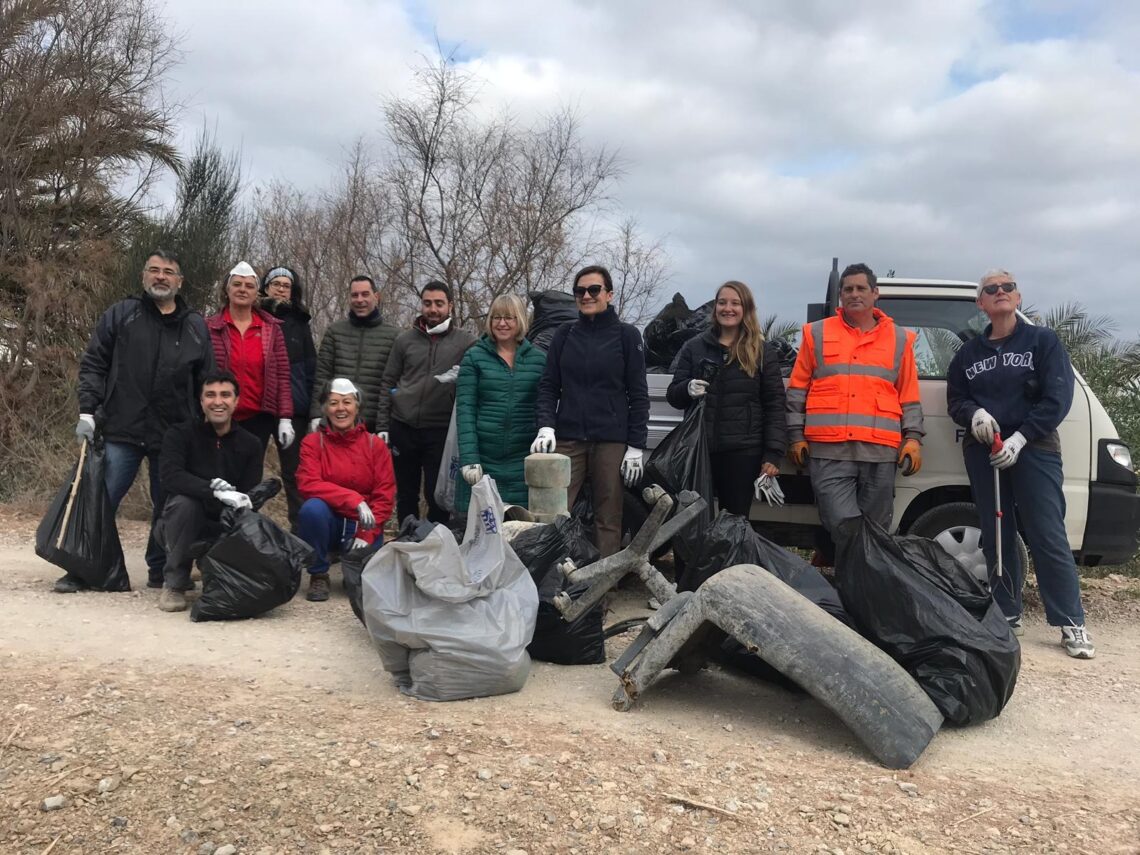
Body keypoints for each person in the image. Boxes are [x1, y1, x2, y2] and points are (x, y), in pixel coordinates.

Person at [947, 269, 1094, 658]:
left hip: (1036, 448)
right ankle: (1007, 613)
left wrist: (1021, 437)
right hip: (984, 452)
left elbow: (1057, 398)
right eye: (990, 289)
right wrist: (974, 414)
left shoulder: (1042, 341)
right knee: (997, 533)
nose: (999, 292)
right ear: (980, 303)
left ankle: (1071, 621)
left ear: (1018, 296)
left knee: (1047, 533)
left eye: (1006, 287)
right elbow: (956, 399)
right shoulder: (968, 354)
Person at [66, 249, 214, 593]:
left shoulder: (195, 326)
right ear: (143, 276)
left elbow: (207, 380)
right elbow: (94, 364)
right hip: (122, 426)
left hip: (174, 432)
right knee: (101, 498)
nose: (161, 277)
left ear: (180, 281)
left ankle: (161, 569)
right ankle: (81, 567)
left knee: (169, 505)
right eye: (154, 270)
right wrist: (87, 410)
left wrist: (205, 426)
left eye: (168, 272)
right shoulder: (121, 314)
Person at [786, 262, 924, 547]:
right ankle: (853, 580)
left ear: (875, 294)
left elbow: (908, 394)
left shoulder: (899, 339)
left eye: (861, 288)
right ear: (840, 296)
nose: (854, 294)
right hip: (828, 449)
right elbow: (797, 390)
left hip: (880, 451)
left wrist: (913, 438)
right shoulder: (816, 334)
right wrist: (796, 436)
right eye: (847, 289)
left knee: (875, 529)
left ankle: (863, 587)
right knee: (841, 523)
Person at [533, 265, 650, 557]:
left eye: (594, 290)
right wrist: (546, 425)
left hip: (611, 440)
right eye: (580, 291)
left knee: (608, 517)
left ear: (609, 294)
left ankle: (600, 590)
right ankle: (549, 583)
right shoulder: (564, 334)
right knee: (554, 511)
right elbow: (549, 386)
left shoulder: (627, 335)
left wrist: (636, 445)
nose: (586, 295)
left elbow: (638, 394)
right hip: (569, 437)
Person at [667, 280, 788, 516]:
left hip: (742, 453)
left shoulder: (762, 352)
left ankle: (730, 555)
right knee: (691, 520)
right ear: (715, 308)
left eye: (735, 303)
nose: (727, 308)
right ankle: (694, 556)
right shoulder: (694, 347)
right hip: (699, 449)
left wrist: (773, 453)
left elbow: (774, 404)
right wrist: (687, 388)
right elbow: (674, 396)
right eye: (722, 302)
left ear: (746, 309)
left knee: (733, 522)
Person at [154, 371, 263, 612]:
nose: (217, 401)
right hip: (178, 526)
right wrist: (212, 490)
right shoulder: (179, 434)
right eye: (210, 395)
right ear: (201, 401)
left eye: (225, 395)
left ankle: (216, 571)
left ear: (236, 401)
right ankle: (175, 583)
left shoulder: (251, 444)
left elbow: (250, 492)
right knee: (185, 503)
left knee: (248, 516)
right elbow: (170, 477)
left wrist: (239, 499)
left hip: (223, 528)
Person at [376, 281, 475, 524]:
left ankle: (436, 544)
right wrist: (382, 426)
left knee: (436, 493)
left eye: (439, 304)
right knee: (406, 493)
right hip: (403, 426)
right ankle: (406, 541)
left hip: (439, 429)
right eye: (427, 303)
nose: (432, 309)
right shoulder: (404, 340)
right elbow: (388, 380)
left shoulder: (466, 342)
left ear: (450, 305)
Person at [297, 378, 396, 602]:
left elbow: (385, 495)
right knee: (312, 509)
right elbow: (308, 483)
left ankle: (353, 565)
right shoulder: (313, 443)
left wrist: (367, 532)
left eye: (347, 402)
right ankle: (319, 572)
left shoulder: (375, 445)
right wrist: (354, 500)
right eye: (333, 403)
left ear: (357, 406)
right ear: (324, 408)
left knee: (356, 584)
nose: (340, 409)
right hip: (328, 522)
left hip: (363, 524)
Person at [453, 294, 547, 512]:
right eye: (497, 317)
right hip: (483, 460)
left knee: (519, 530)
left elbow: (544, 406)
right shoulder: (474, 357)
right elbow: (465, 410)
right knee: (480, 528)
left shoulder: (538, 360)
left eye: (509, 317)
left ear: (520, 321)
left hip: (522, 462)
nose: (502, 323)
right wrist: (469, 458)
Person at [205, 262, 294, 451]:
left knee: (250, 478)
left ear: (257, 293)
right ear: (227, 289)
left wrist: (285, 417)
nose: (242, 290)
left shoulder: (272, 329)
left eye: (249, 286)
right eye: (237, 284)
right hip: (218, 416)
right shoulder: (209, 327)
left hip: (258, 419)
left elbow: (283, 376)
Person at [259, 266, 317, 530]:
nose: (281, 288)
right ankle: (244, 533)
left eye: (286, 285)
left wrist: (315, 411)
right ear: (266, 287)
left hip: (294, 408)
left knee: (296, 474)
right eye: (276, 284)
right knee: (247, 472)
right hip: (257, 407)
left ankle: (302, 533)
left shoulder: (300, 322)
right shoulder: (254, 316)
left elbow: (311, 368)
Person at [309, 275, 400, 434]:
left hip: (374, 425)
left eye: (365, 294)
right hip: (337, 420)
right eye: (354, 295)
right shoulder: (334, 332)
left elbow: (394, 384)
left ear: (376, 297)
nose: (359, 300)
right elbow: (322, 376)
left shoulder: (394, 336)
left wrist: (384, 426)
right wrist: (317, 414)